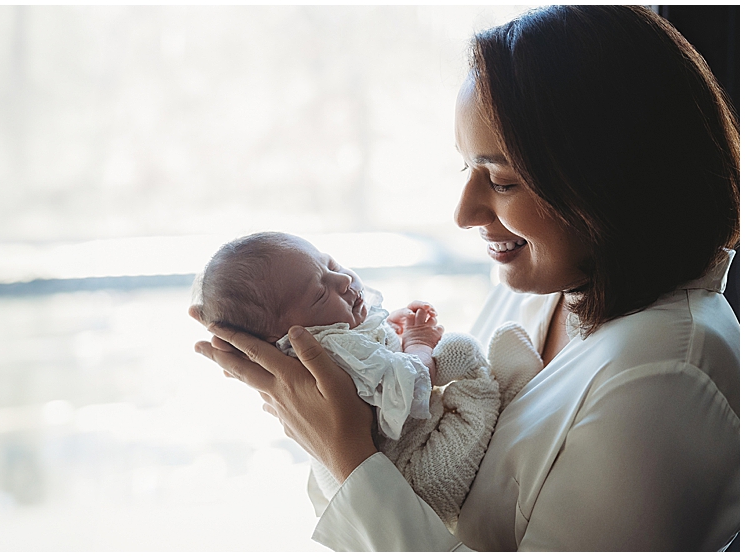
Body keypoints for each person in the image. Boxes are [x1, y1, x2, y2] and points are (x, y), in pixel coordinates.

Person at [193, 6, 739, 551]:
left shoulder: (664, 377)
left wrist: (349, 459)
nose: (464, 213)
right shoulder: (547, 295)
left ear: (612, 181)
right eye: (467, 168)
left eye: (501, 180)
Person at [190, 231, 540, 524]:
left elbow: (374, 364)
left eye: (330, 264)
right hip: (424, 479)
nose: (342, 280)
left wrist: (391, 333)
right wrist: (417, 344)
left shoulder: (321, 343)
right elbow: (411, 387)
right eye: (319, 293)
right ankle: (505, 389)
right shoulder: (331, 353)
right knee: (460, 350)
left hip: (381, 484)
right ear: (284, 336)